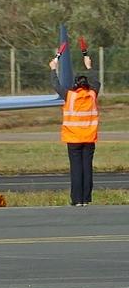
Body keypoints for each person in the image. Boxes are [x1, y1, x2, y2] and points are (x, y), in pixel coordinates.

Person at [50, 37, 100, 206]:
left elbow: (55, 85)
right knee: (87, 168)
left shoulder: (69, 96)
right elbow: (96, 82)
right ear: (87, 84)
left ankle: (76, 199)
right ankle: (86, 199)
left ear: (75, 84)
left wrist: (53, 68)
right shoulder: (92, 95)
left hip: (73, 139)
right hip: (89, 138)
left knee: (76, 169)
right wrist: (89, 65)